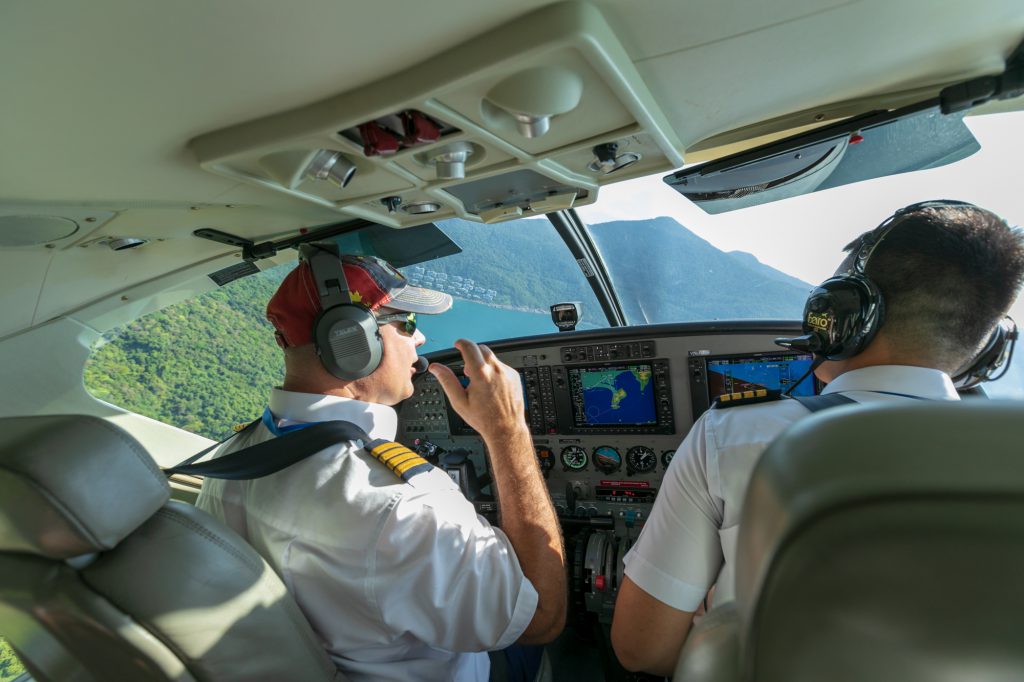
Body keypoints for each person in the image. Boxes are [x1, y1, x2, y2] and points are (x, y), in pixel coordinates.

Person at [610, 201, 1024, 675]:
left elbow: (643, 649)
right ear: (986, 347)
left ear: (845, 315)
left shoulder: (733, 435)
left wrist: (711, 622)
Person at [196, 247, 566, 682]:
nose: (421, 340)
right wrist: (507, 434)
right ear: (351, 342)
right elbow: (540, 618)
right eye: (408, 324)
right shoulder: (402, 505)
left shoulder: (232, 458)